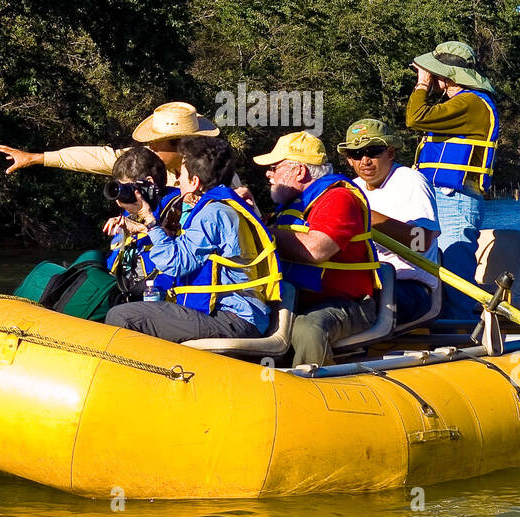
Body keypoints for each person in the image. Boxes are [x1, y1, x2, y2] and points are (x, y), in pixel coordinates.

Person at [105, 137, 278, 342]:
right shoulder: (220, 208)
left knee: (121, 316)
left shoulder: (212, 214)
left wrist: (149, 218)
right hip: (237, 315)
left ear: (195, 182)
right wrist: (143, 228)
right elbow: (185, 251)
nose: (178, 182)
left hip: (233, 318)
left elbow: (174, 263)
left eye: (183, 176)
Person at [253, 131, 382, 367]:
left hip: (348, 305)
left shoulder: (338, 198)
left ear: (299, 171)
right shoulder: (291, 205)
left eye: (275, 167)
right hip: (298, 298)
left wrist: (264, 231)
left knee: (307, 328)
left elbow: (316, 249)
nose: (268, 174)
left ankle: (317, 392)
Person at [406, 41, 502, 323]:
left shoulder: (471, 102)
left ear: (447, 76)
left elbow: (415, 117)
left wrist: (422, 85)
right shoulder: (456, 104)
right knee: (420, 257)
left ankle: (462, 332)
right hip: (433, 198)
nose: (428, 77)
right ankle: (429, 323)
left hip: (454, 197)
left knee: (454, 265)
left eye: (433, 73)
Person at [337, 118, 440, 326]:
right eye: (356, 154)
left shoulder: (411, 181)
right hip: (367, 283)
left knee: (340, 311)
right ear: (349, 159)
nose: (365, 160)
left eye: (373, 151)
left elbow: (422, 243)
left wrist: (367, 216)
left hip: (411, 289)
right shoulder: (350, 189)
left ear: (390, 153)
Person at [0, 101, 221, 186]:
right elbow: (99, 157)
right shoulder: (148, 159)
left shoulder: (216, 174)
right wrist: (36, 158)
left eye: (158, 144)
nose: (151, 148)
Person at [101, 147, 185, 300]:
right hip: (125, 291)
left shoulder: (180, 207)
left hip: (159, 297)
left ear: (149, 183)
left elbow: (179, 255)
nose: (122, 197)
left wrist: (143, 226)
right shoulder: (129, 212)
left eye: (127, 188)